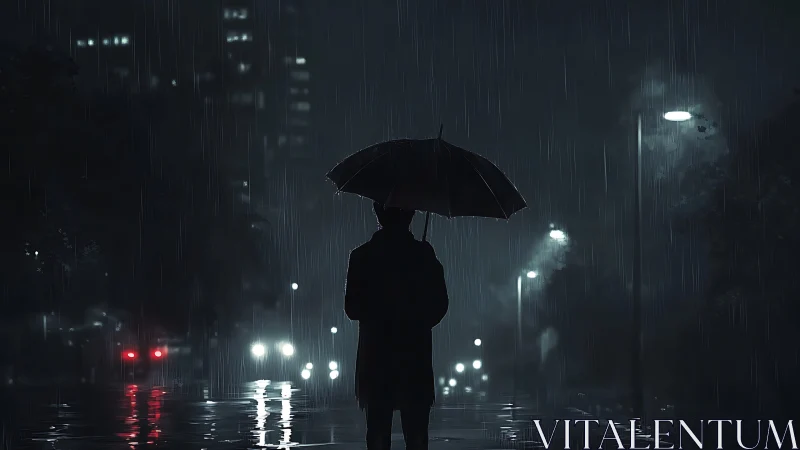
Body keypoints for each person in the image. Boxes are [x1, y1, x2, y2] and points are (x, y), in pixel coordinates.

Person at [345, 202, 450, 450]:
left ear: (378, 213)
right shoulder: (423, 256)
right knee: (416, 436)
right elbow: (440, 305)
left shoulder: (362, 256)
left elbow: (352, 309)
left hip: (376, 358)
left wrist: (379, 313)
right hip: (414, 357)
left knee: (378, 433)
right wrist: (417, 320)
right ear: (412, 215)